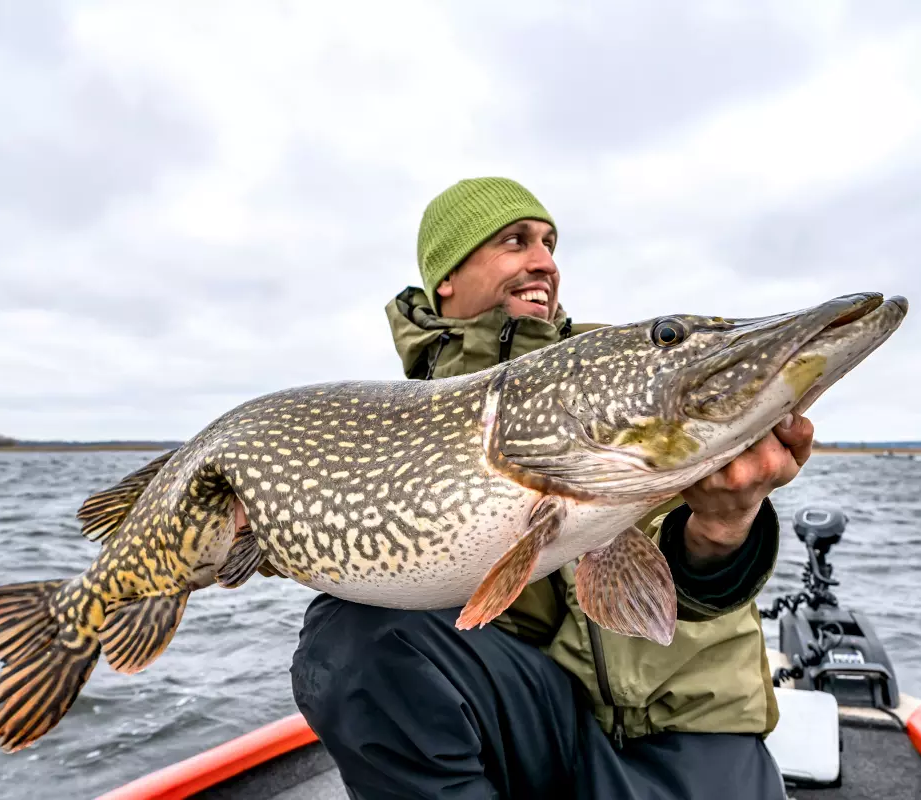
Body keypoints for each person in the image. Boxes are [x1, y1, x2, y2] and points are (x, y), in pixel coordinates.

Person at [290, 177, 815, 799]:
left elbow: (680, 575)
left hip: (694, 726)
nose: (545, 261)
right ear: (446, 279)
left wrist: (726, 527)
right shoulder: (391, 425)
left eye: (549, 242)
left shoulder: (629, 368)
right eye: (515, 241)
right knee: (346, 636)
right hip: (548, 726)